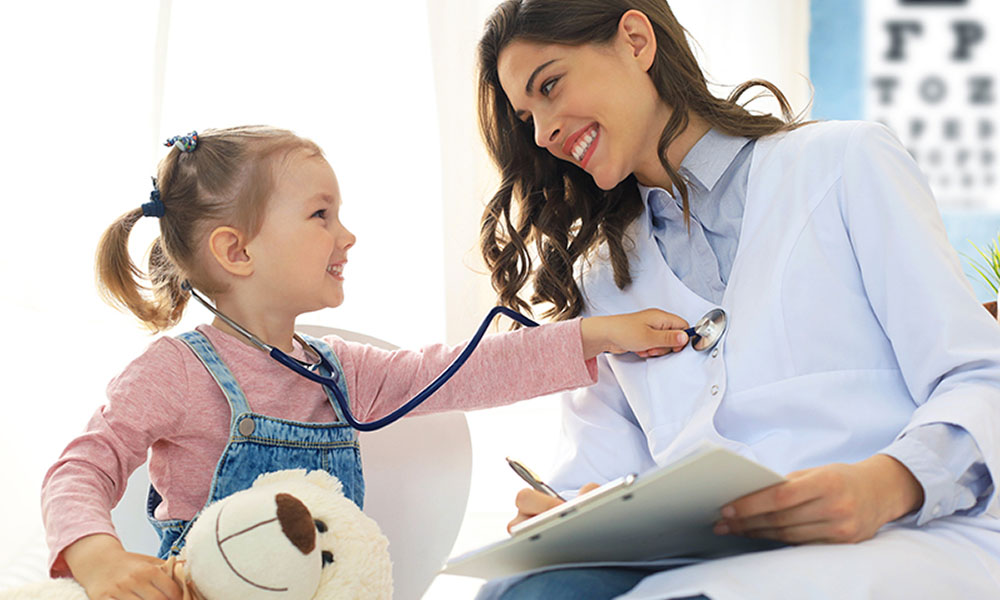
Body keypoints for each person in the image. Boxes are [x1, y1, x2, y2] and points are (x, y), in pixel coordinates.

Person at [473, 1, 1000, 598]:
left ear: (636, 41)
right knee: (519, 594)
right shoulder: (602, 279)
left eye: (551, 85)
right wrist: (563, 512)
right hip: (709, 557)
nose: (543, 134)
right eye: (527, 118)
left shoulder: (845, 163)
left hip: (894, 539)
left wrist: (887, 483)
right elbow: (599, 471)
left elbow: (982, 376)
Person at [40, 126, 694, 600]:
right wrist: (97, 557)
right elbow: (81, 466)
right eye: (321, 215)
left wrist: (592, 336)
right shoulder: (176, 372)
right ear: (236, 251)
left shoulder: (338, 371)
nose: (346, 235)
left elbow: (463, 371)